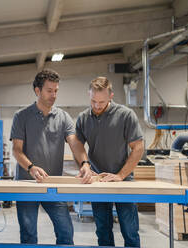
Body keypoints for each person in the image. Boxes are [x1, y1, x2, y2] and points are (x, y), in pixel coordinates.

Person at [10, 69, 92, 245]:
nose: (54, 95)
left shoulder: (63, 117)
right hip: (27, 183)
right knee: (28, 234)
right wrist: (31, 168)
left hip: (54, 183)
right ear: (37, 90)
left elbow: (75, 143)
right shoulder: (21, 116)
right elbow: (17, 150)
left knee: (66, 232)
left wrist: (84, 163)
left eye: (56, 91)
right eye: (49, 90)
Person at [75, 76, 144, 247]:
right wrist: (85, 165)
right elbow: (77, 145)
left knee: (130, 230)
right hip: (97, 180)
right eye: (93, 101)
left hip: (124, 180)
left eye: (102, 102)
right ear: (88, 95)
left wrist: (120, 175)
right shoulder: (83, 118)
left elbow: (138, 148)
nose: (97, 106)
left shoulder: (126, 115)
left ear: (111, 96)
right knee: (103, 231)